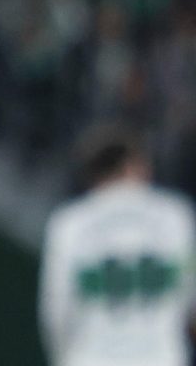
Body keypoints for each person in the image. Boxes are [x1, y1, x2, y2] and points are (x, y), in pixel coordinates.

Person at [38, 126, 196, 366]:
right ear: (134, 165)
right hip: (161, 357)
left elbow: (57, 306)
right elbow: (191, 293)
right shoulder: (175, 215)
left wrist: (64, 357)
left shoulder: (70, 223)